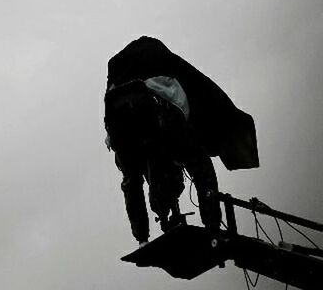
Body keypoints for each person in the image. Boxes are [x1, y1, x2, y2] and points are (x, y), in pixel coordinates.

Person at [105, 37, 259, 244]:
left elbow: (132, 186)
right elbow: (200, 86)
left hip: (123, 132)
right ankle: (212, 224)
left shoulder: (121, 122)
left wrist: (142, 238)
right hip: (160, 124)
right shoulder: (170, 137)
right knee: (200, 165)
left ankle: (143, 236)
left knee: (132, 180)